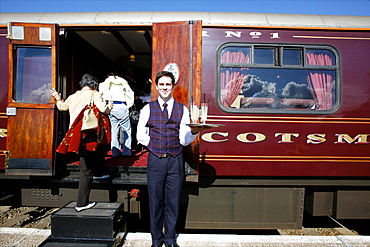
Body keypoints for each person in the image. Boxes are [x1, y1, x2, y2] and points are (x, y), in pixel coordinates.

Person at [137, 71, 210, 247]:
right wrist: (155, 147)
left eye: (168, 84)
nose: (164, 88)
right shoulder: (147, 108)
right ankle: (156, 240)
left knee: (173, 201)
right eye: (161, 84)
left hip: (176, 160)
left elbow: (183, 138)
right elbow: (140, 135)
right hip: (156, 160)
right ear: (156, 86)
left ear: (172, 86)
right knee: (155, 201)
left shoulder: (182, 109)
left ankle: (169, 238)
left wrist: (194, 132)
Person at [50, 73, 113, 212]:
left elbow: (62, 107)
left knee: (89, 160)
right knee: (86, 171)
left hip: (76, 136)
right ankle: (81, 203)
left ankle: (99, 172)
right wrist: (110, 107)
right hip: (88, 134)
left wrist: (57, 98)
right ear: (93, 84)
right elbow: (103, 110)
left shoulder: (73, 96)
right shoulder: (94, 94)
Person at [99, 73, 134, 157]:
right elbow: (130, 93)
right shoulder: (122, 81)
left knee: (114, 131)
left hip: (112, 106)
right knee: (127, 131)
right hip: (122, 106)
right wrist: (129, 105)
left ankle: (115, 152)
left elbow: (102, 93)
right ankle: (126, 151)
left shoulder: (106, 82)